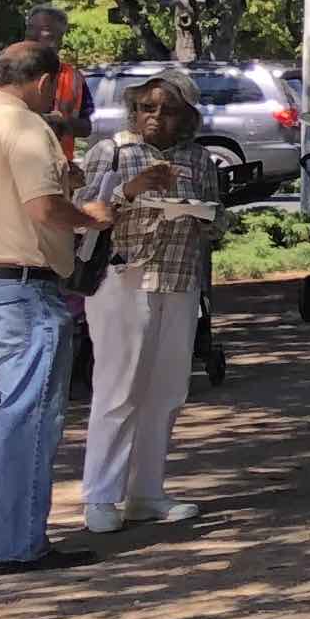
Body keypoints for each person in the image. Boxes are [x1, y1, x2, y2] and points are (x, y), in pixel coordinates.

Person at [0, 38, 129, 575]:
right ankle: (19, 542)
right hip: (19, 289)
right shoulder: (26, 127)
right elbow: (44, 208)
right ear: (44, 82)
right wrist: (89, 215)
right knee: (27, 414)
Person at [75, 74, 224, 536]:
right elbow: (84, 214)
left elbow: (216, 219)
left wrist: (204, 217)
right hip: (123, 279)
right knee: (119, 390)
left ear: (187, 118)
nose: (155, 117)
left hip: (179, 281)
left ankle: (146, 492)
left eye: (167, 110)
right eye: (146, 107)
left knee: (166, 393)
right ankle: (100, 496)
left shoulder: (198, 159)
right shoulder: (113, 150)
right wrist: (131, 189)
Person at [22, 8, 91, 137]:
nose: (33, 35)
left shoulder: (74, 78)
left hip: (57, 156)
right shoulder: (5, 70)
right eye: (30, 28)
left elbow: (86, 128)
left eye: (44, 30)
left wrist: (63, 123)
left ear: (59, 39)